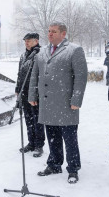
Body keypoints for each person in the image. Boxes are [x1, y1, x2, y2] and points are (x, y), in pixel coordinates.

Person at [28, 22, 88, 184]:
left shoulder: (74, 50)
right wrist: (32, 94)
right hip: (47, 103)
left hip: (66, 104)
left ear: (63, 33)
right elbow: (35, 75)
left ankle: (73, 168)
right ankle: (54, 164)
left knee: (69, 138)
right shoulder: (42, 52)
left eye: (54, 31)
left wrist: (76, 100)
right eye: (49, 31)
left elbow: (81, 78)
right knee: (52, 136)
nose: (50, 34)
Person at [15, 33, 45, 158]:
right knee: (28, 119)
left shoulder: (40, 54)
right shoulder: (23, 56)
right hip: (24, 92)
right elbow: (20, 74)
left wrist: (37, 92)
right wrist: (17, 88)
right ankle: (31, 142)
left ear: (36, 41)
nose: (26, 43)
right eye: (25, 41)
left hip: (35, 92)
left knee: (37, 119)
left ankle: (39, 145)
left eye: (29, 41)